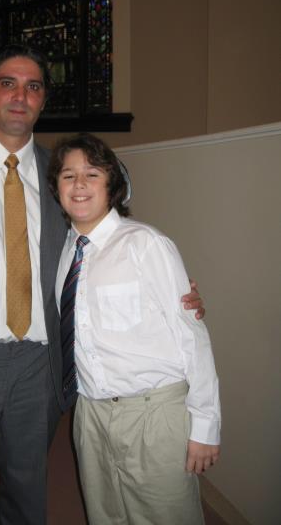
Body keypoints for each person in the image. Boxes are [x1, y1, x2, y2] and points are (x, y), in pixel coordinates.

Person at [0, 45, 205, 525]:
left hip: (38, 366)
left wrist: (173, 289)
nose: (20, 95)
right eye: (7, 83)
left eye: (33, 86)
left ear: (42, 100)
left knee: (27, 488)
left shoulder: (60, 172)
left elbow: (102, 244)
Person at [48, 133, 221, 525]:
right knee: (105, 515)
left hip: (152, 414)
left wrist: (205, 425)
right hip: (90, 414)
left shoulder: (146, 244)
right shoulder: (65, 251)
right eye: (68, 175)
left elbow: (192, 337)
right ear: (57, 187)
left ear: (112, 184)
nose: (79, 184)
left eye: (92, 174)